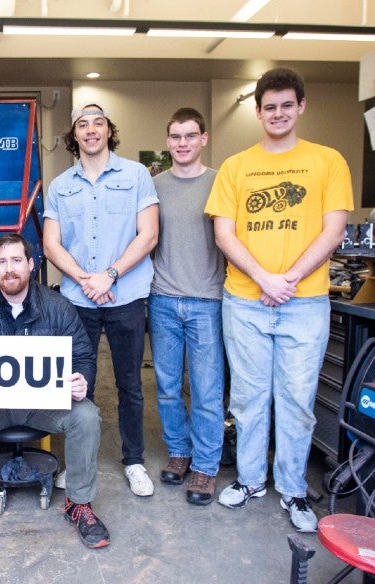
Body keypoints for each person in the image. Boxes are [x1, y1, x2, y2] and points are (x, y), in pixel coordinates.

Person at [205, 67, 353, 532]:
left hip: (305, 302)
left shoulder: (328, 161)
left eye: (287, 105)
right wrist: (263, 278)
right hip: (245, 302)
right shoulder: (235, 166)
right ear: (258, 111)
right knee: (248, 399)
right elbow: (223, 233)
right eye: (270, 107)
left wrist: (286, 278)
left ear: (301, 107)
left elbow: (335, 229)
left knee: (296, 400)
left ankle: (292, 490)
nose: (278, 113)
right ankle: (251, 481)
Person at [0, 233, 107, 557]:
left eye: (17, 260)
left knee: (86, 415)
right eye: (2, 262)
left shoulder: (58, 307)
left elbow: (83, 356)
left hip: (42, 406)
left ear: (31, 264)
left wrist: (82, 380)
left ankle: (79, 502)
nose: (10, 269)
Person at [43, 103, 159, 497]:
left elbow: (149, 235)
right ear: (74, 135)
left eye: (98, 123)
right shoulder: (60, 186)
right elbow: (51, 244)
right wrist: (85, 279)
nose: (91, 130)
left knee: (130, 384)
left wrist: (109, 275)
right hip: (79, 299)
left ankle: (134, 461)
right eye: (82, 125)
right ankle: (78, 462)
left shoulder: (137, 175)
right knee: (79, 385)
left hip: (125, 295)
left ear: (110, 130)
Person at [149, 107, 226, 506]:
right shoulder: (154, 186)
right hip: (162, 299)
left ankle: (206, 467)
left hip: (207, 301)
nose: (183, 143)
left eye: (190, 136)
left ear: (204, 139)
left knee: (207, 390)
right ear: (168, 142)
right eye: (176, 136)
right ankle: (179, 453)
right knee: (166, 387)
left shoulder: (220, 183)